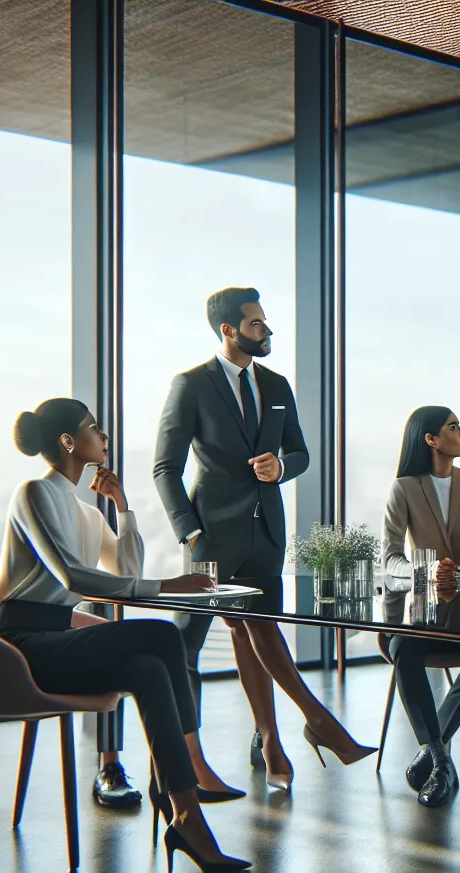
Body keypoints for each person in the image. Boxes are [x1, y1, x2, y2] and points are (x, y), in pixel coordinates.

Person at [0, 399, 247, 873]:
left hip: (58, 638)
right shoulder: (33, 494)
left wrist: (122, 508)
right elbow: (72, 577)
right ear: (69, 442)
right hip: (19, 647)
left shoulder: (87, 513)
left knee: (149, 667)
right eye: (93, 428)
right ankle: (186, 776)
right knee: (165, 639)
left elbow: (127, 572)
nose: (104, 435)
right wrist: (168, 587)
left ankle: (185, 811)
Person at [153, 286, 373, 791]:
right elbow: (166, 467)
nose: (267, 331)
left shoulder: (276, 385)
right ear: (228, 330)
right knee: (191, 646)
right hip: (209, 540)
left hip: (266, 535)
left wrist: (280, 468)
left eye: (265, 322)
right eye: (256, 324)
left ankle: (271, 740)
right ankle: (200, 757)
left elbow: (300, 453)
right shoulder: (190, 385)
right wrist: (189, 532)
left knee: (255, 634)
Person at [380, 405, 460, 807]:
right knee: (403, 648)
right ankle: (441, 758)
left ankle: (433, 750)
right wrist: (431, 571)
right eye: (453, 428)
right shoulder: (404, 488)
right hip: (423, 610)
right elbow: (390, 559)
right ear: (430, 439)